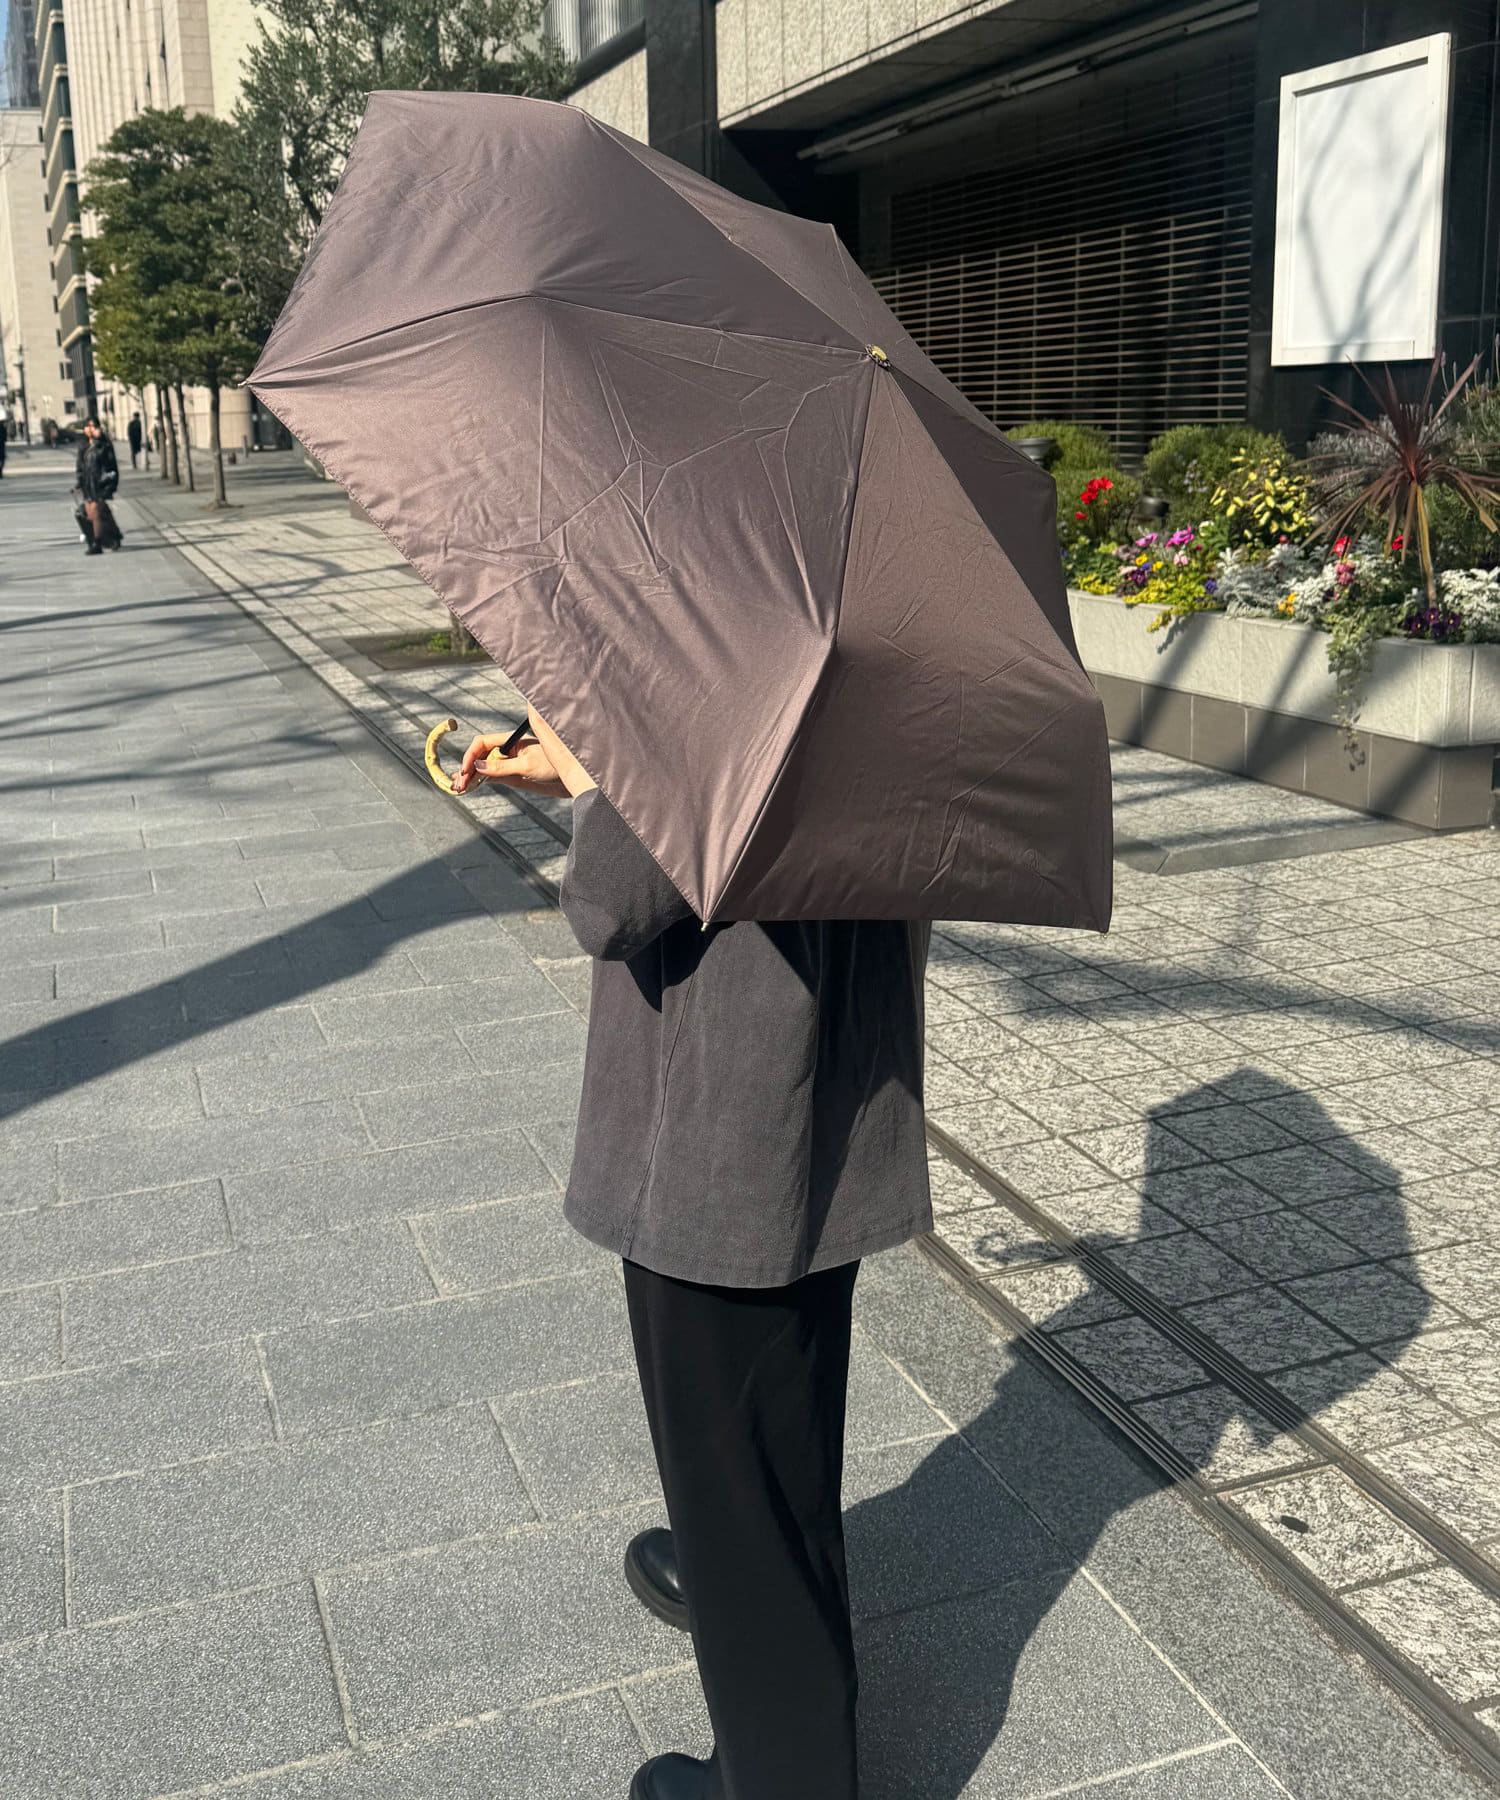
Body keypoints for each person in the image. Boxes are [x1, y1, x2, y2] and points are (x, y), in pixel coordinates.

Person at [455, 709, 931, 1800]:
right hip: (838, 1061)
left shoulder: (723, 649)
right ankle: (731, 1576)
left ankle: (785, 1774)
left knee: (737, 1427)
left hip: (727, 1103)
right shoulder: (878, 637)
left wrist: (596, 758)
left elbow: (611, 898)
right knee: (778, 1415)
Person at [75, 417, 123, 553]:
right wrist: (79, 482)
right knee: (92, 513)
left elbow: (110, 464)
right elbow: (80, 466)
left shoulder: (104, 445)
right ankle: (114, 536)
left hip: (101, 483)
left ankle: (97, 543)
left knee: (96, 512)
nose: (91, 429)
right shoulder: (83, 446)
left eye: (93, 426)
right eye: (88, 426)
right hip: (88, 484)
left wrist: (99, 440)